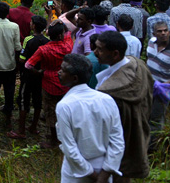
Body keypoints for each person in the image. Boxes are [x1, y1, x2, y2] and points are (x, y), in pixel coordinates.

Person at [56, 54, 125, 183]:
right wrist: (105, 174)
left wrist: (92, 174)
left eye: (63, 70)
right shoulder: (107, 99)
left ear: (74, 78)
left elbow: (69, 148)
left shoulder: (64, 106)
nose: (59, 72)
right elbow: (118, 140)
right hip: (104, 167)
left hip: (76, 173)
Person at [95, 31, 153, 182]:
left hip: (119, 141)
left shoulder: (110, 92)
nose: (95, 52)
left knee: (119, 173)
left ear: (115, 54)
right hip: (136, 134)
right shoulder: (138, 65)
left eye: (100, 49)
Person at [24, 22, 72, 148]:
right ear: (60, 35)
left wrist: (40, 72)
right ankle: (63, 137)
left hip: (48, 82)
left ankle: (53, 139)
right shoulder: (67, 46)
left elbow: (28, 65)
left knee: (50, 113)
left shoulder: (44, 49)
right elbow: (68, 32)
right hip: (65, 84)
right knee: (64, 112)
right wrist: (61, 21)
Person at [9, 15, 49, 139]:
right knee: (37, 100)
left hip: (28, 74)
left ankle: (21, 130)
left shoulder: (28, 39)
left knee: (23, 100)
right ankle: (33, 127)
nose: (30, 24)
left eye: (31, 23)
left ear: (34, 26)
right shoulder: (47, 41)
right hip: (41, 74)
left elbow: (22, 59)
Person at [0, 2, 22, 130]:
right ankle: (8, 120)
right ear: (8, 13)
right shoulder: (14, 26)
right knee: (9, 92)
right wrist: (17, 63)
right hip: (10, 65)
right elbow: (18, 47)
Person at [146, 21, 170, 151]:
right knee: (145, 115)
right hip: (148, 86)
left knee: (156, 119)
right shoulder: (151, 42)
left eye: (165, 30)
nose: (163, 33)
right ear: (154, 33)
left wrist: (164, 85)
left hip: (162, 90)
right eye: (160, 31)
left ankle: (153, 151)